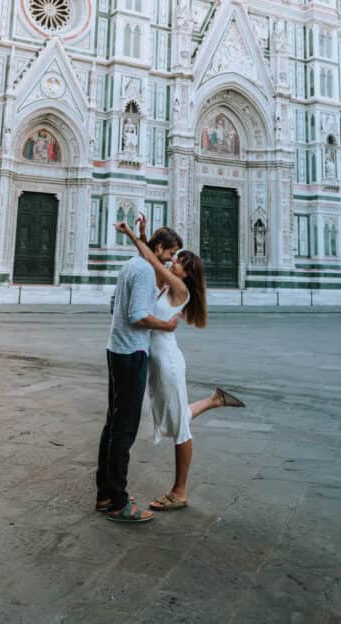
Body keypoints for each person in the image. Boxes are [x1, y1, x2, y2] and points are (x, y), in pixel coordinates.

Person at [115, 215, 245, 512]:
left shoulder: (180, 290)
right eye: (173, 255)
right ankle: (215, 400)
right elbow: (151, 261)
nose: (173, 261)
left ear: (187, 272)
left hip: (169, 363)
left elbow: (154, 260)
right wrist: (143, 235)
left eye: (178, 260)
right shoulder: (165, 287)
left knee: (181, 427)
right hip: (158, 363)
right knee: (171, 417)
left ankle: (180, 491)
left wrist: (134, 235)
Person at [95, 226, 182, 524]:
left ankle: (105, 492)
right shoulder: (145, 270)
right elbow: (137, 316)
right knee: (124, 430)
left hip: (116, 348)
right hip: (132, 353)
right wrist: (166, 326)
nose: (170, 261)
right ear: (157, 248)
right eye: (169, 254)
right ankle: (119, 502)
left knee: (113, 424)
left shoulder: (132, 265)